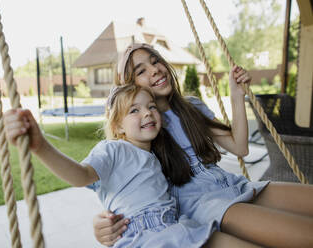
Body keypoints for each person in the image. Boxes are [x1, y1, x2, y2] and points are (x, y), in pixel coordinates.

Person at [92, 43, 313, 248]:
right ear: (129, 86)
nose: (155, 69)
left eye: (155, 60)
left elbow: (239, 147)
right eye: (141, 71)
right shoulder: (140, 130)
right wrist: (102, 221)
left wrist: (237, 95)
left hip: (231, 183)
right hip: (202, 203)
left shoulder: (192, 107)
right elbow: (121, 185)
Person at [4, 84, 263, 247]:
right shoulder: (113, 149)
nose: (147, 113)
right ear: (117, 127)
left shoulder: (157, 157)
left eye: (151, 107)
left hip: (177, 227)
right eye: (134, 110)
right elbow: (80, 176)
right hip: (144, 236)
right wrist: (41, 146)